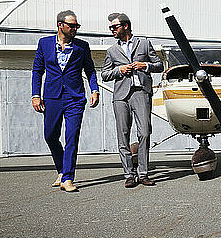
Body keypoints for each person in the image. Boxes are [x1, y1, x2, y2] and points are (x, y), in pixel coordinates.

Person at [31, 10, 99, 192]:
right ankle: (61, 170)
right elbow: (37, 70)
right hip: (52, 97)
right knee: (50, 135)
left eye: (77, 25)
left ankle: (68, 177)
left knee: (71, 137)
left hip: (74, 98)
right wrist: (35, 95)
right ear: (60, 25)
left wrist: (95, 90)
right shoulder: (44, 44)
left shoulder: (82, 46)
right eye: (72, 25)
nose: (75, 28)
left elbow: (90, 71)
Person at [102, 13, 163, 188]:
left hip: (141, 93)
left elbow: (159, 65)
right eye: (111, 28)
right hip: (121, 96)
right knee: (123, 135)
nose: (112, 30)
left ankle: (143, 174)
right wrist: (119, 70)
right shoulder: (112, 51)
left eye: (115, 27)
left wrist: (145, 66)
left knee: (144, 132)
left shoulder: (144, 43)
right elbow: (105, 74)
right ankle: (129, 174)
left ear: (126, 26)